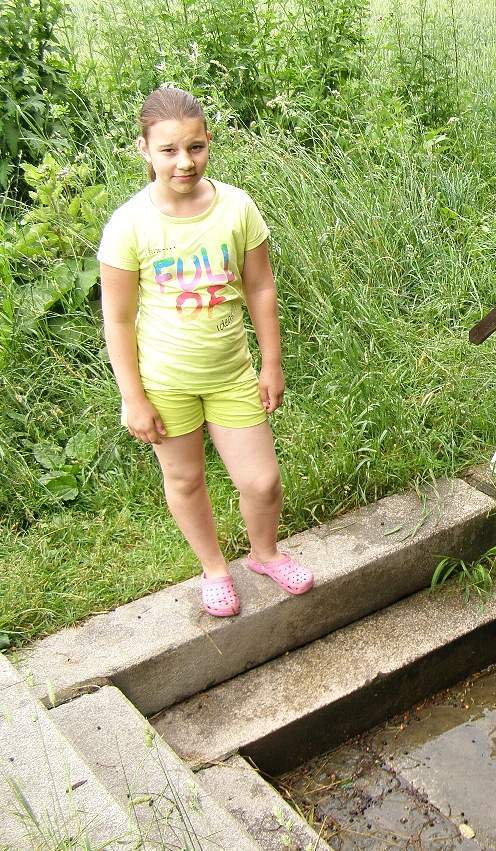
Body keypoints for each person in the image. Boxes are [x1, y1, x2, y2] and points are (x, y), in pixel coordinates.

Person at [98, 85, 313, 617]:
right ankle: (214, 568)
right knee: (186, 478)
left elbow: (261, 287)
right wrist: (133, 398)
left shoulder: (237, 207)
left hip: (233, 374)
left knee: (262, 481)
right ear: (144, 151)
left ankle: (265, 553)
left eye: (194, 147)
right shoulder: (129, 225)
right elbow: (118, 320)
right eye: (168, 150)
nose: (183, 162)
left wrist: (271, 362)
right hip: (166, 383)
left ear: (208, 143)